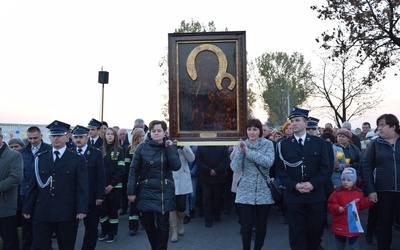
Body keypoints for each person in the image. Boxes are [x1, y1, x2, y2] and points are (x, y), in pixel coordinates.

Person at [22, 120, 89, 250]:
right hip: (43, 210)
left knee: (66, 245)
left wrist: (81, 209)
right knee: (39, 246)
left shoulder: (77, 159)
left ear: (67, 136)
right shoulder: (40, 158)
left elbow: (82, 186)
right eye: (53, 135)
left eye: (59, 135)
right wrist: (27, 207)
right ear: (49, 137)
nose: (56, 138)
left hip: (66, 212)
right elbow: (33, 185)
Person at [276, 107, 330, 250]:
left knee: (315, 231)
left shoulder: (319, 143)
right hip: (294, 196)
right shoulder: (283, 145)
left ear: (306, 123)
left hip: (315, 195)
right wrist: (293, 185)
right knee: (296, 232)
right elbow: (280, 169)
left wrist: (313, 184)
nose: (293, 123)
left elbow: (325, 168)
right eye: (292, 121)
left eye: (297, 120)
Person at [127, 120, 181, 250]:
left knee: (163, 225)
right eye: (153, 131)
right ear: (149, 132)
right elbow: (133, 170)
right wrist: (131, 191)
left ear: (164, 132)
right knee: (147, 223)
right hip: (146, 190)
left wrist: (170, 149)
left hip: (164, 191)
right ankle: (155, 246)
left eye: (159, 131)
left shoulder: (169, 146)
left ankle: (160, 248)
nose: (156, 133)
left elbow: (176, 166)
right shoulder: (141, 147)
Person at [230, 118, 275, 250]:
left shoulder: (268, 144)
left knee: (261, 224)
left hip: (263, 191)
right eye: (249, 129)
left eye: (255, 129)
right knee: (246, 224)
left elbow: (268, 162)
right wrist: (240, 151)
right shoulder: (242, 145)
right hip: (245, 191)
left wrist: (248, 152)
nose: (252, 132)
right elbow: (235, 168)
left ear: (260, 131)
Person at [362, 113, 400, 250]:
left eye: (383, 125)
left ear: (393, 126)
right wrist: (371, 189)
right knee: (384, 223)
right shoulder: (375, 143)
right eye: (378, 126)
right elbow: (366, 167)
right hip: (383, 191)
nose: (379, 129)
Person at [72, 125, 106, 250]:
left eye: (81, 137)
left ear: (87, 138)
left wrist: (99, 196)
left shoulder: (95, 153)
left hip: (91, 198)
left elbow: (100, 176)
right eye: (76, 137)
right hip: (73, 198)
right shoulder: (69, 152)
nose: (78, 140)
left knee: (91, 228)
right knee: (70, 228)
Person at [19, 126, 52, 250]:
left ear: (41, 136)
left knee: (44, 225)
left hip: (42, 194)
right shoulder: (22, 152)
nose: (33, 141)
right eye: (30, 138)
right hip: (26, 193)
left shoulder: (49, 150)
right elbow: (20, 174)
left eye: (35, 138)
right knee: (27, 225)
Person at [328, 167, 373, 249]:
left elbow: (361, 205)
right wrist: (337, 208)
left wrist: (370, 200)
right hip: (340, 224)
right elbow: (331, 204)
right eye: (343, 179)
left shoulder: (359, 193)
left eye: (349, 180)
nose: (345, 182)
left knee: (354, 245)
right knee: (340, 245)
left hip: (353, 225)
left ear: (354, 181)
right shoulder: (337, 192)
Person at [98, 127, 125, 243]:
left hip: (114, 187)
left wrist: (111, 185)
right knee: (102, 211)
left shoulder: (119, 150)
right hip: (101, 187)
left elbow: (121, 169)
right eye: (107, 134)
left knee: (113, 211)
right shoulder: (99, 150)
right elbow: (97, 171)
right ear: (104, 136)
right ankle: (104, 231)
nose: (109, 136)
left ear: (115, 136)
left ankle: (112, 233)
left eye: (112, 134)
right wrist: (102, 185)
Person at [0, 127, 23, 250]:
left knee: (10, 242)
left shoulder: (14, 155)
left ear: (1, 137)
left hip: (5, 207)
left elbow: (15, 178)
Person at [196, 145, 230, 227]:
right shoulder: (201, 146)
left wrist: (216, 170)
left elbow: (225, 160)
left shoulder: (222, 146)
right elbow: (199, 161)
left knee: (217, 198)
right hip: (205, 177)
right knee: (206, 198)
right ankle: (208, 219)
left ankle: (216, 215)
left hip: (218, 177)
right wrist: (209, 171)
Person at [169, 145, 195, 243]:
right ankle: (174, 230)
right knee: (170, 206)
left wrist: (183, 147)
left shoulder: (184, 145)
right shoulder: (166, 143)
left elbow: (192, 158)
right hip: (169, 178)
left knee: (181, 205)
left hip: (182, 179)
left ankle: (180, 221)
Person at [124, 128, 145, 236]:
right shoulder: (129, 149)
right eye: (141, 136)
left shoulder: (147, 148)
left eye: (143, 135)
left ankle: (145, 223)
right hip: (133, 179)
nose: (143, 138)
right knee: (133, 205)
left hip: (144, 179)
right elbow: (127, 167)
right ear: (136, 137)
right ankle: (133, 227)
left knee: (144, 202)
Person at [118, 128, 131, 216]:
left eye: (124, 134)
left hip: (127, 171)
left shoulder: (128, 145)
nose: (122, 136)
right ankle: (123, 207)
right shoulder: (116, 145)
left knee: (126, 190)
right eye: (121, 134)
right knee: (122, 191)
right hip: (119, 171)